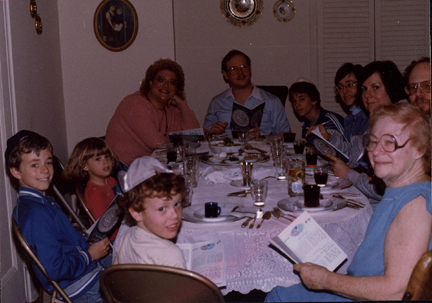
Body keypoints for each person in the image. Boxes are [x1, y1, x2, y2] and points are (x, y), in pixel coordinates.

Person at [266, 103, 432, 302]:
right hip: (366, 285)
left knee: (278, 296)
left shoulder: (415, 204)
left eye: (390, 142)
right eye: (372, 141)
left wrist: (326, 280)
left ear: (420, 148)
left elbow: (396, 290)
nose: (376, 152)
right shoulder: (405, 189)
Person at [6, 130, 111, 302]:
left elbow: (64, 239)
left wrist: (87, 243)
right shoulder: (35, 213)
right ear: (16, 172)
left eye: (48, 162)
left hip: (82, 270)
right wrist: (90, 255)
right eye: (34, 165)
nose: (45, 170)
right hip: (79, 286)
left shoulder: (41, 201)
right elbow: (55, 268)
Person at [307, 61, 407, 207]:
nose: (367, 95)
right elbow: (354, 155)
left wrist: (348, 174)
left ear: (391, 88)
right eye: (364, 89)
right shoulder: (380, 121)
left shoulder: (400, 126)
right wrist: (327, 138)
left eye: (375, 88)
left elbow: (383, 190)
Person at [105, 59, 200, 166]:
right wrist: (178, 138)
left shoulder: (172, 110)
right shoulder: (134, 103)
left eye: (172, 82)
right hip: (123, 170)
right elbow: (157, 143)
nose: (166, 85)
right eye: (161, 80)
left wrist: (182, 104)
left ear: (176, 88)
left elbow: (194, 137)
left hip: (151, 167)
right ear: (151, 83)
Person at [113, 156, 186, 268]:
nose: (175, 215)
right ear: (136, 213)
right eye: (162, 209)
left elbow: (115, 273)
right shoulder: (171, 255)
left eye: (177, 204)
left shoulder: (124, 238)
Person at [203, 49, 291, 138]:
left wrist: (262, 138)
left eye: (244, 67)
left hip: (261, 150)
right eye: (234, 69)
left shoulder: (272, 101)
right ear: (226, 75)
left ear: (250, 69)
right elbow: (204, 133)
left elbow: (287, 135)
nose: (240, 73)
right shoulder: (217, 102)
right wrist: (210, 133)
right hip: (227, 150)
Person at [62, 137, 121, 240]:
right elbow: (106, 228)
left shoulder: (110, 180)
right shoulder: (95, 194)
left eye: (106, 156)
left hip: (122, 228)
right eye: (98, 159)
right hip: (114, 239)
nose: (105, 162)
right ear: (85, 166)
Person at [288, 78, 345, 144]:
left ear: (314, 100)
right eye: (294, 100)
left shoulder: (330, 120)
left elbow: (345, 146)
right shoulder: (306, 126)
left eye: (302, 99)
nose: (296, 104)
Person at [334, 62, 369, 141]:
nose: (344, 90)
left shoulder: (369, 117)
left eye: (350, 85)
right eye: (340, 87)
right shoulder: (348, 120)